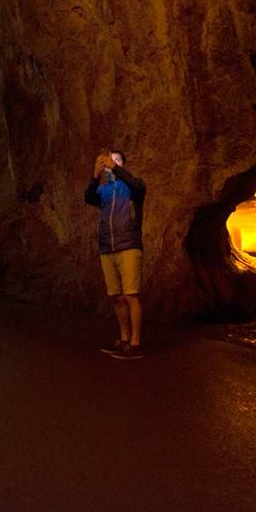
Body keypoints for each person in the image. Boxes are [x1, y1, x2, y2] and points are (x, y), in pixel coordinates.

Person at [84, 148, 147, 360]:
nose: (111, 163)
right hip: (107, 247)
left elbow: (138, 186)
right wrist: (95, 175)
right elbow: (88, 197)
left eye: (117, 160)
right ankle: (124, 339)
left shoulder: (132, 186)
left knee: (131, 294)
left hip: (128, 244)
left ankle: (136, 344)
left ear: (123, 164)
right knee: (116, 296)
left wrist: (116, 170)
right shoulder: (102, 191)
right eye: (108, 161)